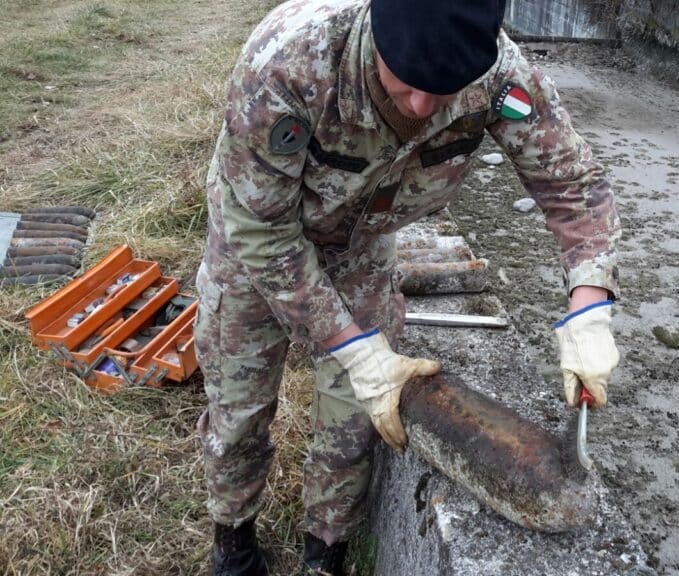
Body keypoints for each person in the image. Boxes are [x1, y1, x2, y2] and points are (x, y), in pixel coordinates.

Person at [195, 0, 621, 573]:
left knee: (357, 418)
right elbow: (263, 231)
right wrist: (350, 344)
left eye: (443, 90)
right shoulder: (288, 64)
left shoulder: (500, 79)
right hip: (255, 241)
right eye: (406, 83)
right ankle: (234, 540)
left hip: (360, 246)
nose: (422, 107)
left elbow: (572, 185)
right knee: (239, 410)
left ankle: (326, 553)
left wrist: (589, 305)